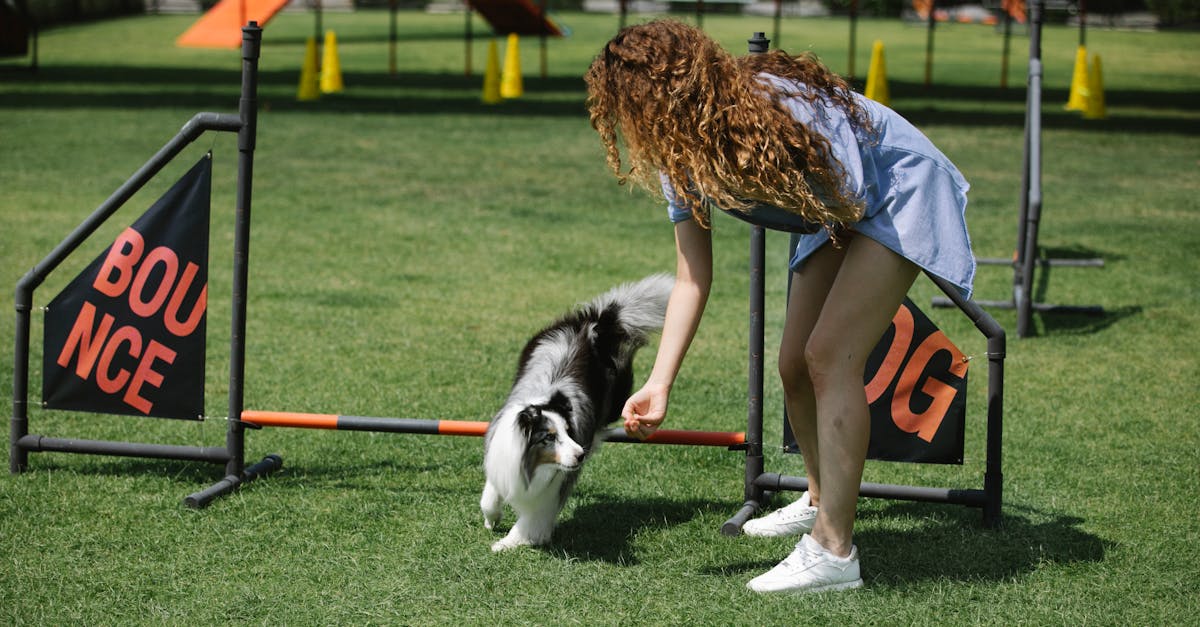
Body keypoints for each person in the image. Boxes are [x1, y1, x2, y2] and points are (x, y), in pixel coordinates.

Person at [583, 20, 974, 594]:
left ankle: (834, 551)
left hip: (895, 190)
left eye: (633, 106)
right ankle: (819, 500)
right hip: (838, 212)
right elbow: (693, 278)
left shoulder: (778, 104)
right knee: (795, 363)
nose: (632, 124)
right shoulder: (679, 154)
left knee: (829, 356)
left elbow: (855, 187)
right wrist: (660, 383)